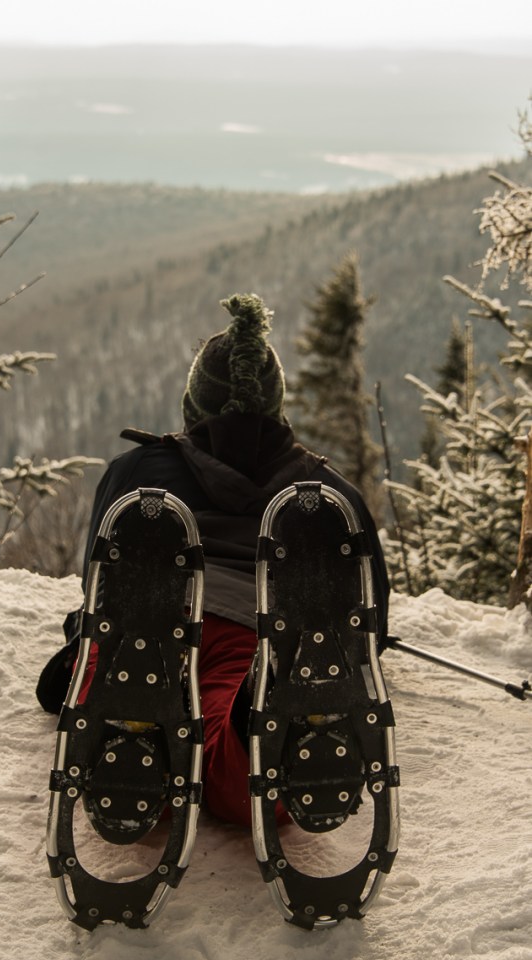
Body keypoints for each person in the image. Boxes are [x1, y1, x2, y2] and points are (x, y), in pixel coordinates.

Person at [37, 292, 389, 829]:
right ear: (276, 407)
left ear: (194, 404)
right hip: (266, 632)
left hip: (154, 620)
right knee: (240, 778)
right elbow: (372, 628)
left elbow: (97, 587)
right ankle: (267, 713)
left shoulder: (135, 475)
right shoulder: (334, 496)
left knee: (110, 691)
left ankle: (130, 736)